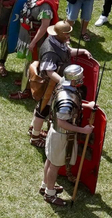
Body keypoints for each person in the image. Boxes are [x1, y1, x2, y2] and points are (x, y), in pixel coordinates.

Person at [40, 63, 93, 205]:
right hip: (61, 135)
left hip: (56, 132)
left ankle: (45, 185)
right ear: (74, 80)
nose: (83, 78)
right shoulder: (66, 98)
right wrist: (83, 130)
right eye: (80, 77)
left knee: (50, 160)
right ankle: (49, 194)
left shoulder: (64, 86)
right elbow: (62, 122)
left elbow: (73, 104)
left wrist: (87, 105)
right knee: (55, 165)